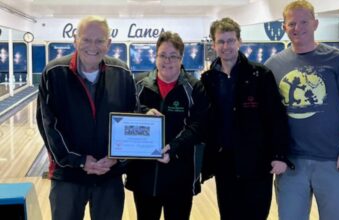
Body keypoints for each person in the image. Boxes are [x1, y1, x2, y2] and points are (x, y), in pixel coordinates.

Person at [264, 1, 339, 220]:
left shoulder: (337, 60)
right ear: (284, 28)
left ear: (315, 23)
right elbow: (268, 115)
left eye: (304, 21)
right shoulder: (273, 65)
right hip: (291, 165)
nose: (298, 28)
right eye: (292, 23)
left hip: (333, 160)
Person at [36, 15, 136, 220]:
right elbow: (48, 126)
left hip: (109, 175)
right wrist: (79, 161)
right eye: (87, 39)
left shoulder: (122, 72)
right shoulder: (54, 73)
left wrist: (116, 158)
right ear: (76, 40)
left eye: (99, 40)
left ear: (108, 43)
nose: (93, 46)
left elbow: (131, 118)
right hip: (68, 176)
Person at [201, 17, 291, 220]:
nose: (226, 46)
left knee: (256, 214)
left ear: (239, 42)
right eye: (221, 41)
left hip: (257, 161)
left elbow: (276, 117)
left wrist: (279, 154)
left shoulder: (260, 74)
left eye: (231, 40)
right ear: (214, 44)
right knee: (229, 215)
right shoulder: (209, 79)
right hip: (225, 162)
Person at [124, 31, 209, 220]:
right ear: (155, 56)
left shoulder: (194, 87)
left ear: (181, 58)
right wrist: (143, 112)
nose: (167, 61)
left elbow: (199, 127)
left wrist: (173, 148)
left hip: (180, 176)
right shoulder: (139, 84)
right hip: (144, 177)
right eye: (162, 55)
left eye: (173, 56)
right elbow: (127, 116)